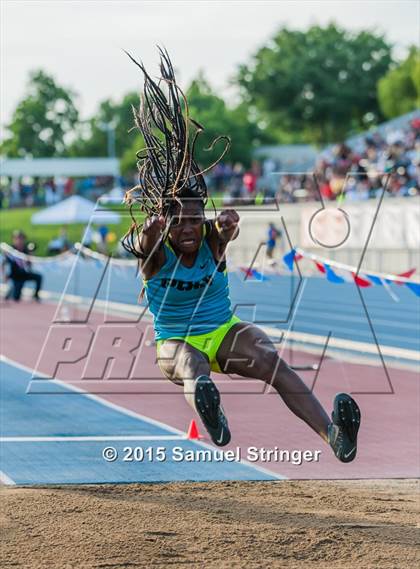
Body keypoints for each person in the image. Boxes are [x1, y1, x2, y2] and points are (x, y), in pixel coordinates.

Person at [122, 48, 360, 462]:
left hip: (223, 329)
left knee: (271, 361)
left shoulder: (214, 238)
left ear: (204, 218)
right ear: (166, 221)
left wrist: (229, 226)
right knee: (192, 367)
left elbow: (226, 230)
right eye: (179, 223)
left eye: (195, 220)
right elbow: (142, 247)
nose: (189, 230)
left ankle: (335, 436)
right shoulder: (156, 251)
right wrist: (151, 233)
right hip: (175, 340)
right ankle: (213, 419)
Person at [2, 231, 43, 302]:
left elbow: (29, 264)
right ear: (14, 239)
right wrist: (4, 275)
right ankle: (11, 291)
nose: (20, 241)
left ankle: (36, 296)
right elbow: (3, 263)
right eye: (17, 239)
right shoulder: (11, 250)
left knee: (39, 277)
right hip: (15, 275)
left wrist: (31, 256)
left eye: (21, 239)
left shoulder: (25, 250)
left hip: (23, 273)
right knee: (16, 298)